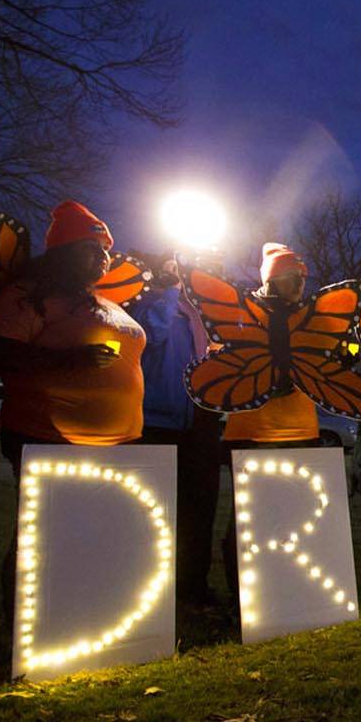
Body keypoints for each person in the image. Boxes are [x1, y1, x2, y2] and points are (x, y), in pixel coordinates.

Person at [0, 201, 146, 617]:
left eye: (106, 249)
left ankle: (83, 616)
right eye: (91, 247)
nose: (103, 257)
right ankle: (27, 626)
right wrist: (69, 361)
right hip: (48, 438)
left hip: (119, 443)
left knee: (98, 535)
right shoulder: (30, 295)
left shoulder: (103, 300)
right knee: (43, 537)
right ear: (62, 251)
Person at [218, 244, 323, 604]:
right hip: (255, 432)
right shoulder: (243, 313)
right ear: (274, 279)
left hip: (302, 430)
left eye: (303, 279)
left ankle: (286, 588)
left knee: (296, 515)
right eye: (295, 278)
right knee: (250, 519)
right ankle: (244, 598)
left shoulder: (308, 316)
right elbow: (224, 360)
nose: (301, 285)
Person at [129, 254, 219, 607]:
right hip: (157, 421)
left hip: (199, 421)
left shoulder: (205, 311)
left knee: (199, 510)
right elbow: (150, 335)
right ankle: (149, 591)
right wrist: (171, 292)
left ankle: (193, 587)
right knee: (154, 513)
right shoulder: (150, 302)